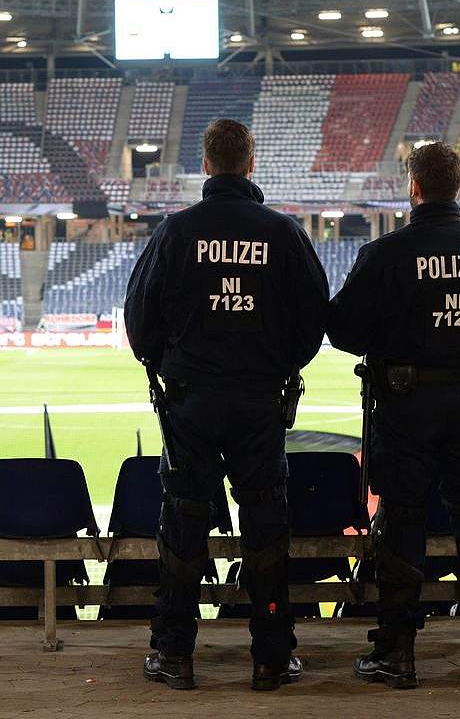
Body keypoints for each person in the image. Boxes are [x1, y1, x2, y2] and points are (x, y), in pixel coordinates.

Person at [125, 118, 329, 692]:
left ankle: (175, 654)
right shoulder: (283, 234)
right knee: (266, 524)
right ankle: (270, 656)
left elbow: (140, 322)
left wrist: (168, 364)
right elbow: (316, 318)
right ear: (251, 162)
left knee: (183, 522)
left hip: (190, 401)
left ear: (207, 164)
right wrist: (281, 366)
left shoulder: (175, 232)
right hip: (261, 402)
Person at [327, 141, 460, 689]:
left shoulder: (387, 253)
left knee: (402, 522)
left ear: (413, 187)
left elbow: (341, 329)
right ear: (456, 186)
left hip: (405, 405)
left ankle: (399, 651)